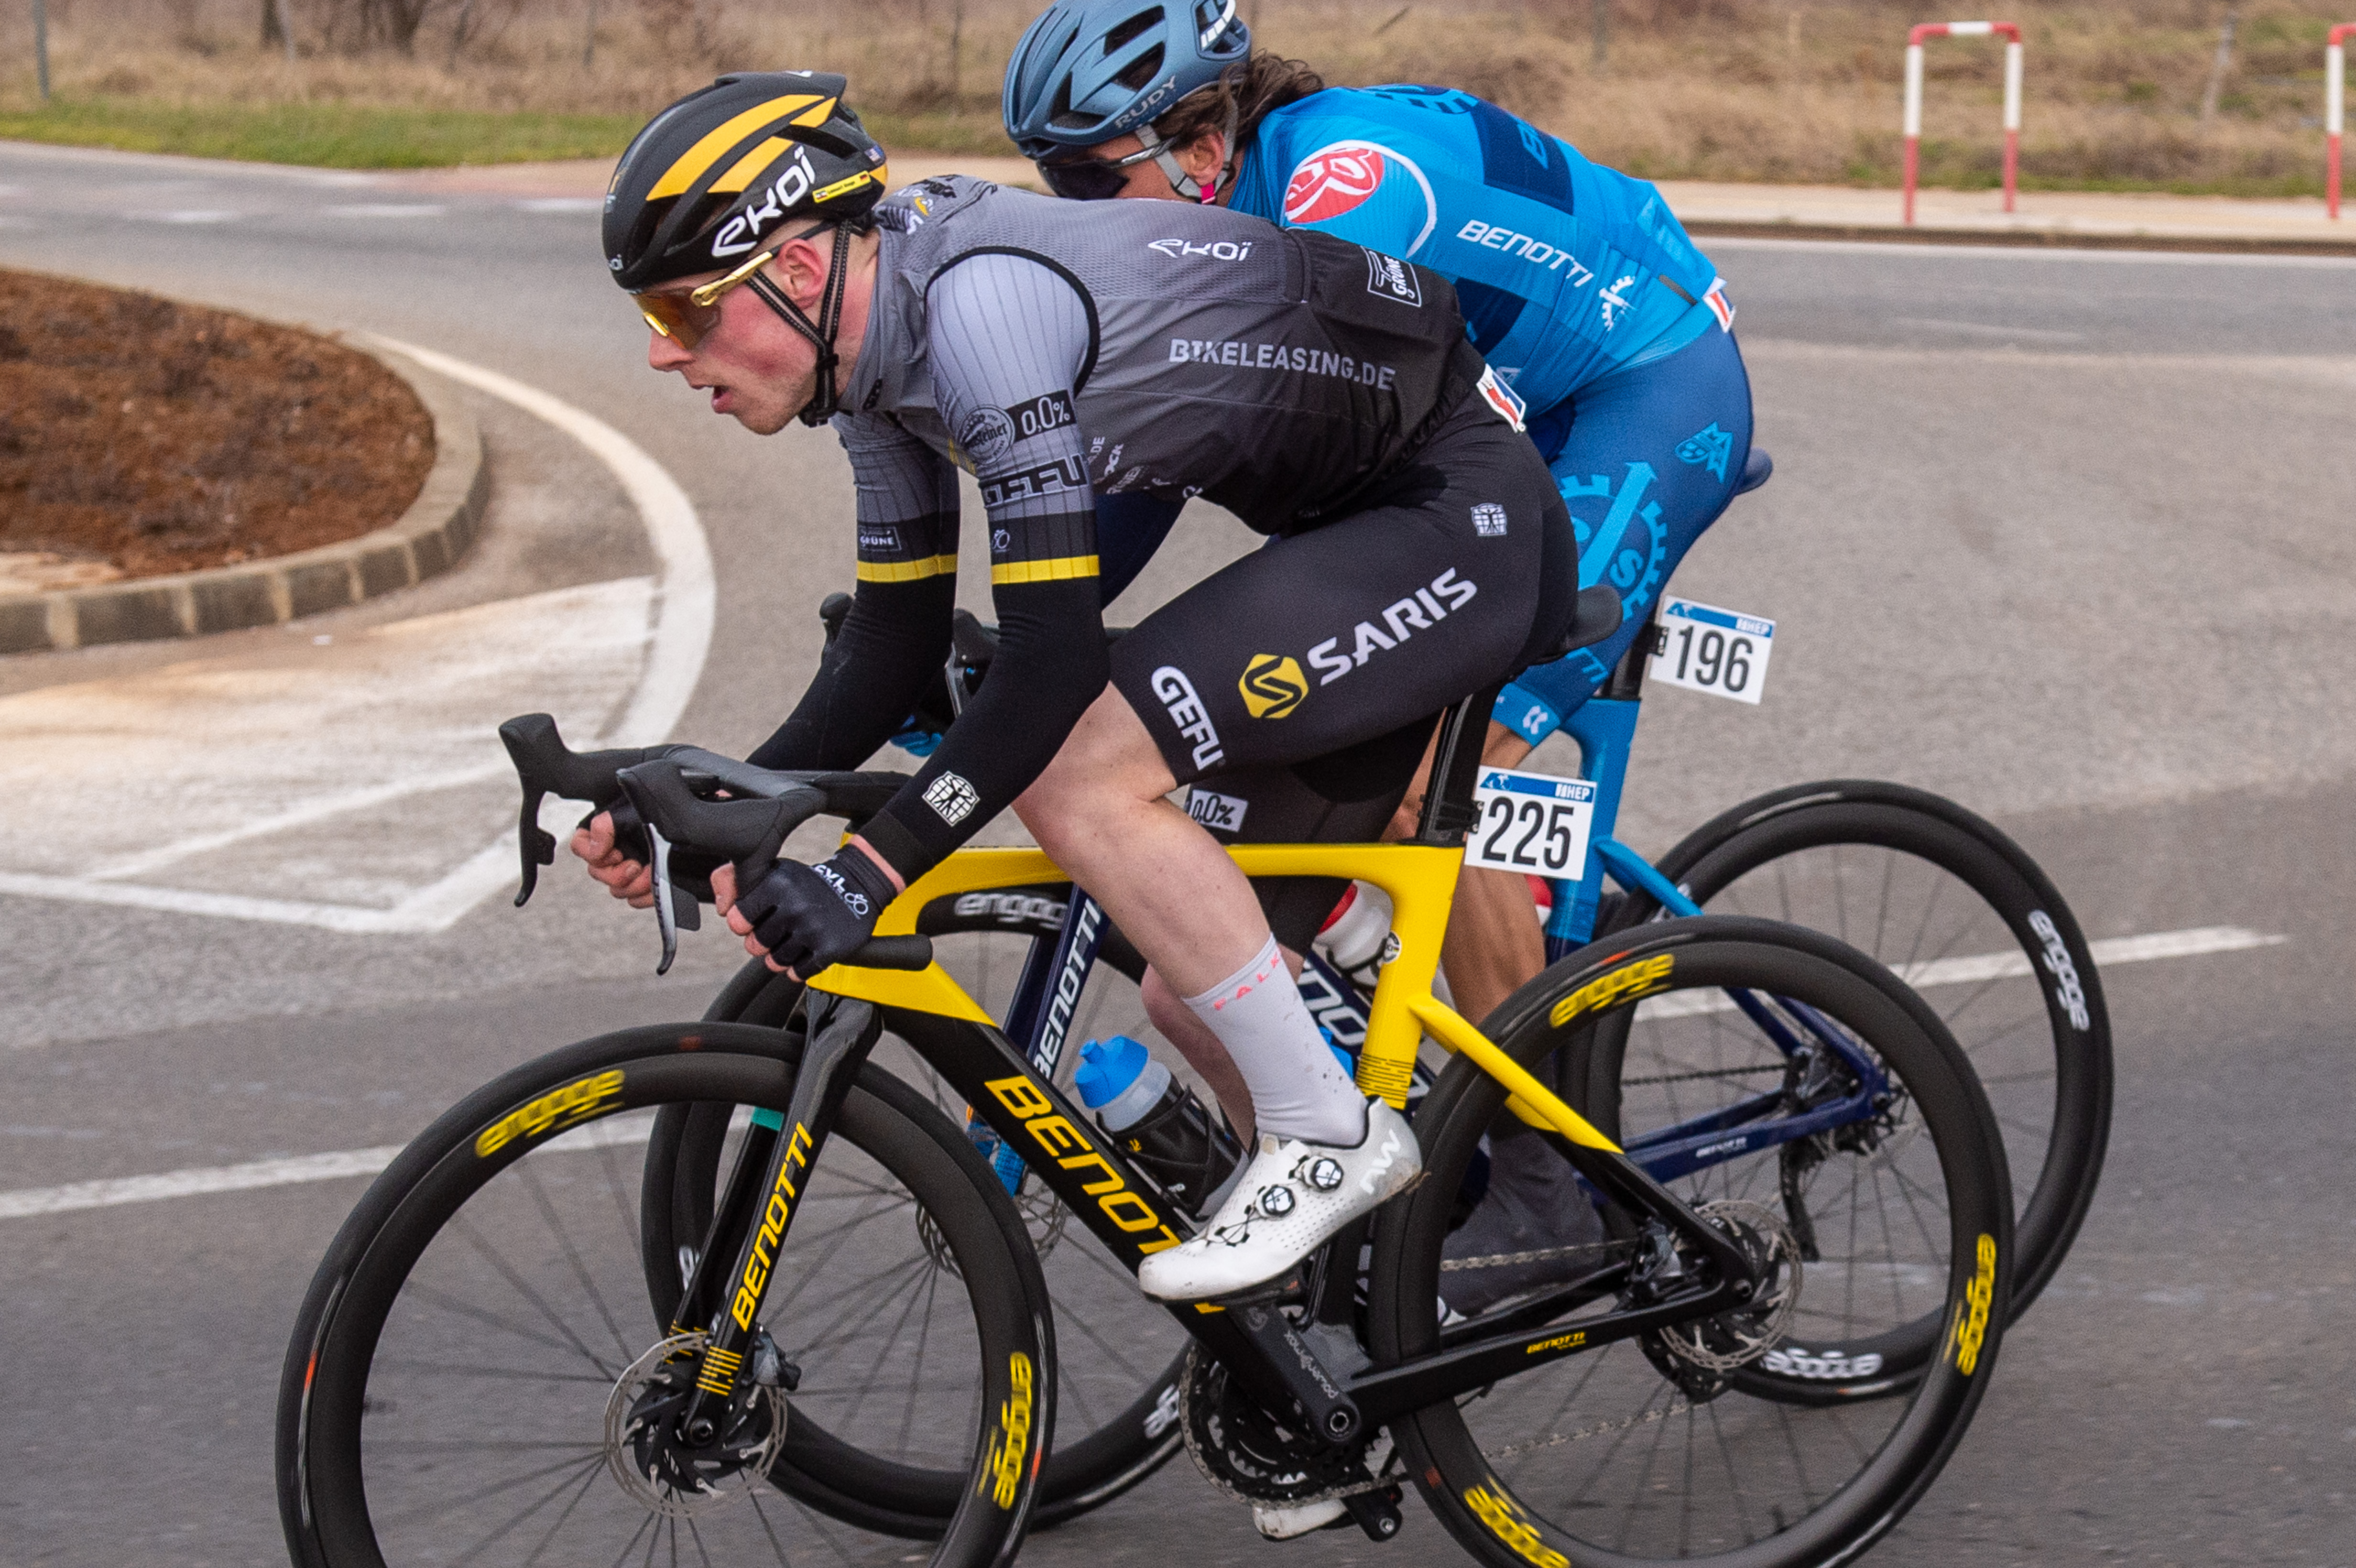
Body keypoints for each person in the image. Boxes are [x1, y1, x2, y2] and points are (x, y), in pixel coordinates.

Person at [579, 71, 1586, 1307]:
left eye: (682, 311)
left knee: (1082, 771)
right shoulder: (871, 355)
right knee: (1192, 985)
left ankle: (1331, 1138)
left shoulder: (980, 316)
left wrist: (870, 871)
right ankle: (1348, 1346)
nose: (659, 349)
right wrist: (709, 798)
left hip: (1458, 520)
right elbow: (891, 638)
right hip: (1355, 529)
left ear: (790, 271)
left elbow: (1056, 661)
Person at [1003, 1, 1757, 1314]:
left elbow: (1254, 445)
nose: (1069, 207)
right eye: (1048, 180)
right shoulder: (1231, 201)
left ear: (1198, 139)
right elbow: (1155, 469)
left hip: (1642, 391)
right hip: (1503, 418)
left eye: (1085, 176)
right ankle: (1389, 1097)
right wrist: (1030, 639)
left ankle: (1546, 1193)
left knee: (1426, 787)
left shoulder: (1341, 187)